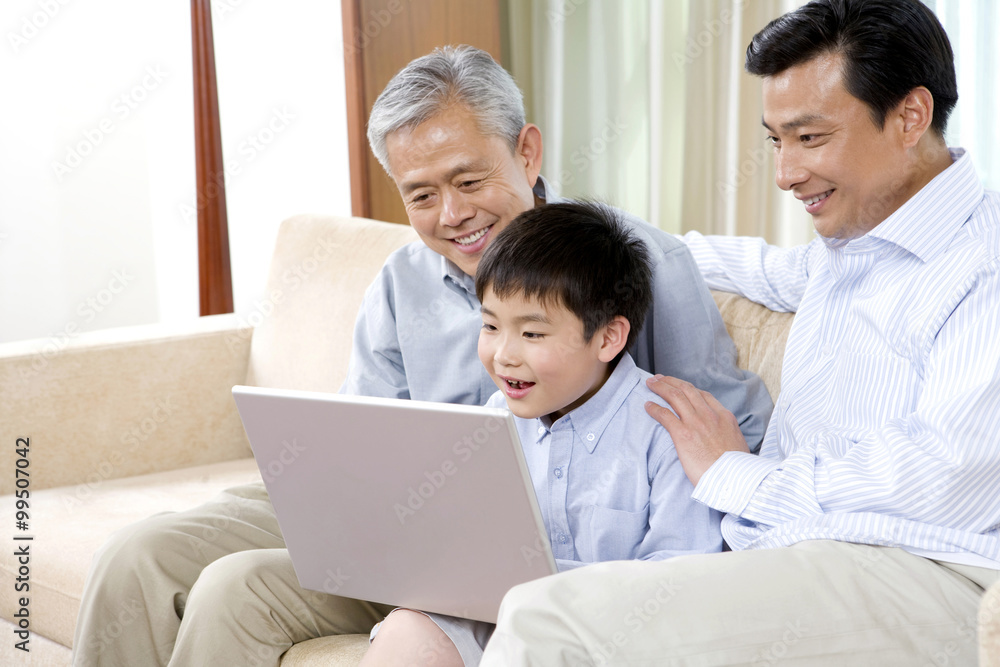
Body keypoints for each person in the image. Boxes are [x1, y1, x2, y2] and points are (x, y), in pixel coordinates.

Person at [71, 47, 771, 666]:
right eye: (421, 195)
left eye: (469, 182)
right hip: (393, 524)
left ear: (527, 152)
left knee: (235, 588)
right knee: (137, 556)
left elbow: (724, 442)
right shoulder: (404, 278)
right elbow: (356, 439)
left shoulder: (643, 265)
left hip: (530, 550)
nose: (451, 215)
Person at [478, 1, 1000, 665]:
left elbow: (947, 478)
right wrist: (555, 242)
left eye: (810, 138)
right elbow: (726, 260)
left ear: (909, 116)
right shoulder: (852, 249)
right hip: (797, 552)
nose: (784, 173)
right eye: (776, 141)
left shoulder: (984, 263)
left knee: (544, 613)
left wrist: (739, 475)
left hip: (934, 572)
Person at [360, 202, 725, 666]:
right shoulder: (494, 419)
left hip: (604, 637)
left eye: (532, 334)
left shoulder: (670, 430)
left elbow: (682, 584)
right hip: (493, 618)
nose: (503, 355)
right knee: (407, 629)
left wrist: (536, 589)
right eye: (490, 325)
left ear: (608, 338)